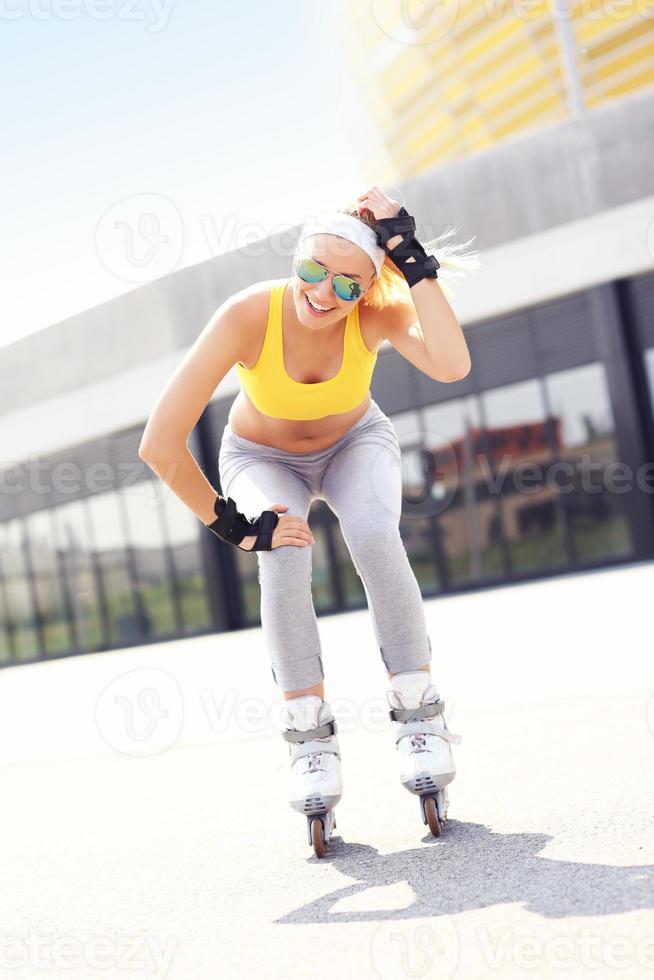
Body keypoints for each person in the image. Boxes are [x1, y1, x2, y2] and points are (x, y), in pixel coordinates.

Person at [139, 185, 477, 841]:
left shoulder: (374, 315)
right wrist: (235, 527)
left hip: (355, 443)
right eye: (313, 272)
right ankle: (309, 739)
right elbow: (159, 443)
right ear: (296, 258)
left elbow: (452, 363)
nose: (325, 294)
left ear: (369, 286)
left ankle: (419, 716)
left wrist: (411, 257)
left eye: (348, 285)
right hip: (262, 456)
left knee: (376, 534)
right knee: (285, 551)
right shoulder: (247, 315)